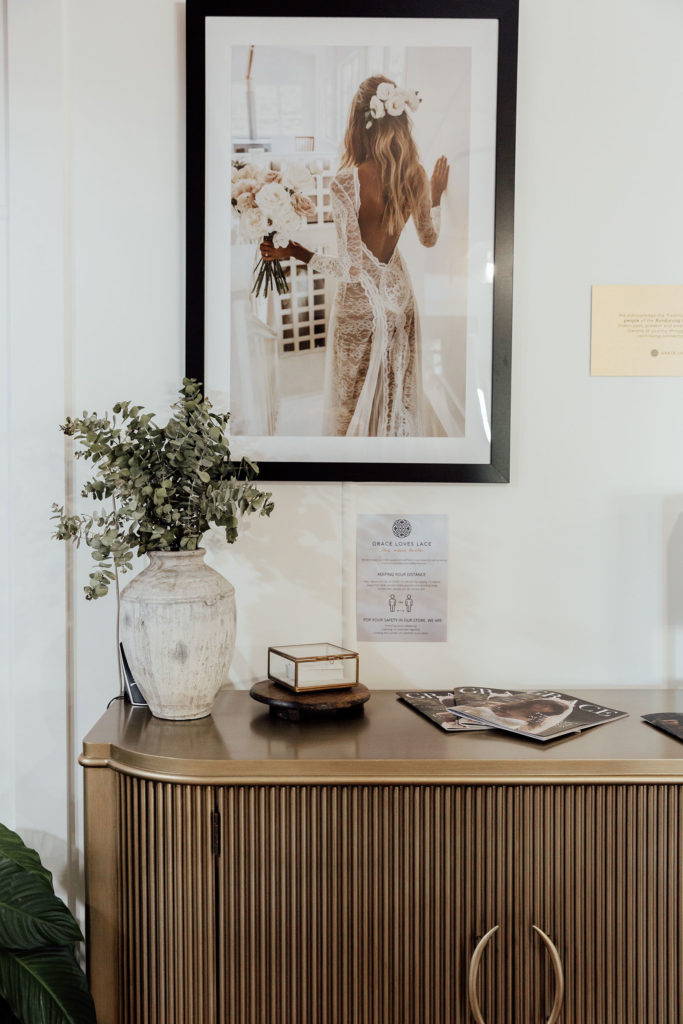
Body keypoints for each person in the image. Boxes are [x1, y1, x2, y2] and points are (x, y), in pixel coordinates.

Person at [260, 76, 449, 437]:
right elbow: (428, 238)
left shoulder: (347, 182)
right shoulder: (416, 175)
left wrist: (293, 250)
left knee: (348, 413)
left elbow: (348, 269)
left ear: (358, 124)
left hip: (358, 310)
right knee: (395, 404)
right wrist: (435, 198)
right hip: (400, 301)